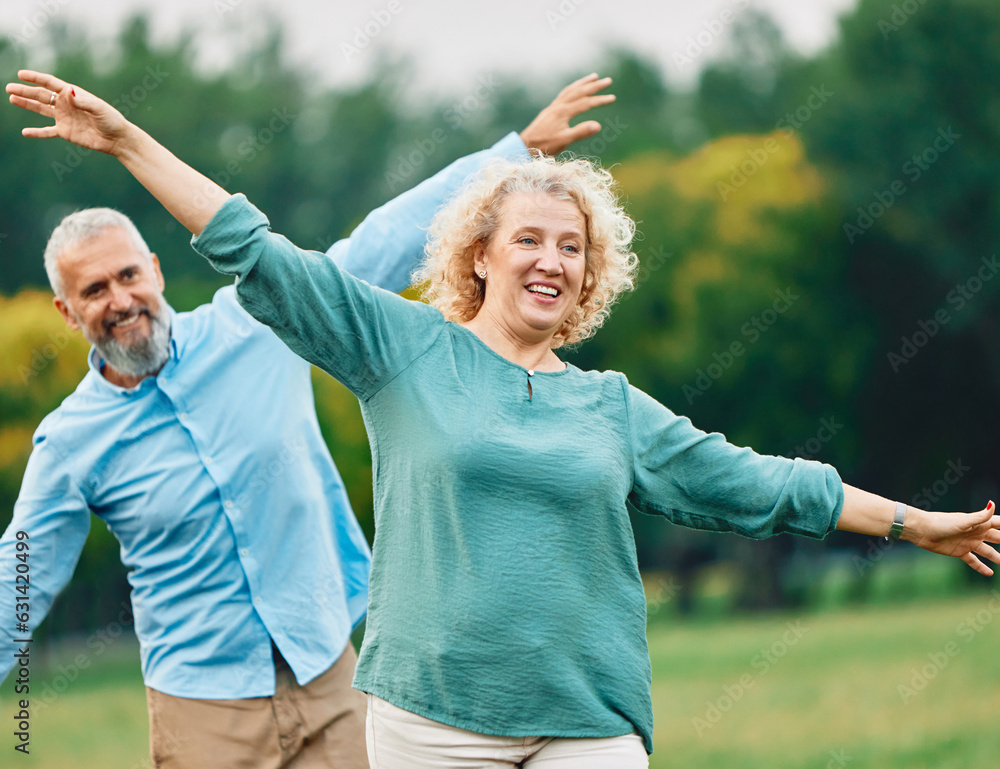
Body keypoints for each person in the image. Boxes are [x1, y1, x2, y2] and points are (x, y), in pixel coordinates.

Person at [8, 70, 999, 769]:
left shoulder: (606, 406)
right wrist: (129, 140)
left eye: (569, 246)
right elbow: (248, 242)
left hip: (462, 698)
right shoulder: (394, 350)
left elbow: (754, 483)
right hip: (302, 711)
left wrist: (918, 524)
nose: (549, 261)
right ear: (480, 254)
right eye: (526, 238)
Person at [0, 71, 616, 769]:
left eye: (128, 276)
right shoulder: (71, 439)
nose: (120, 299)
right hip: (202, 709)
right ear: (67, 311)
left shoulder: (254, 324)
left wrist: (509, 155)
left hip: (331, 674)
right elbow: (20, 575)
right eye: (95, 289)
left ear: (157, 270)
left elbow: (376, 246)